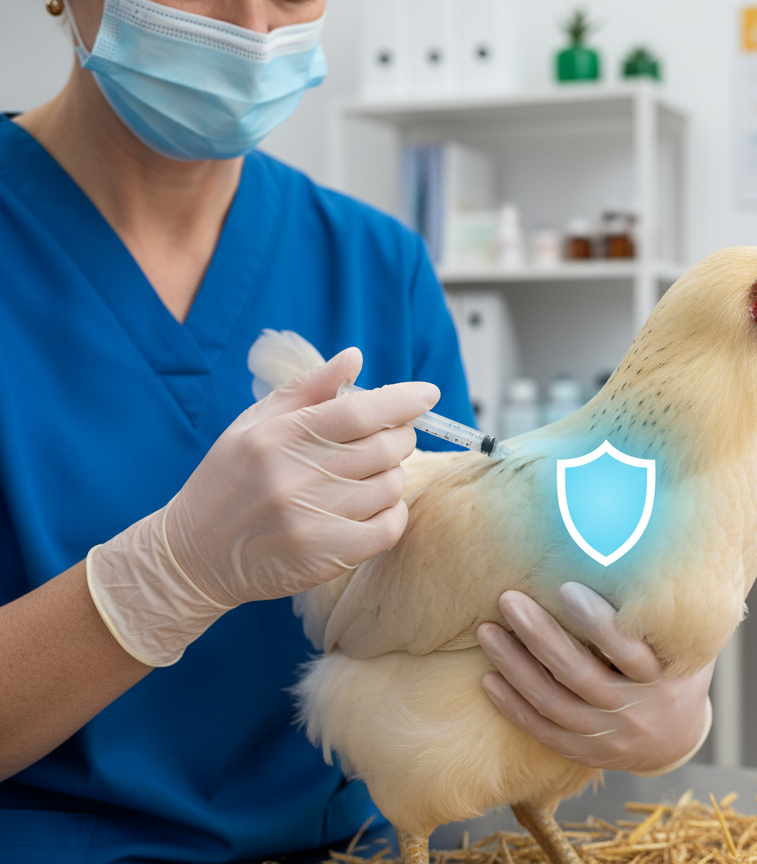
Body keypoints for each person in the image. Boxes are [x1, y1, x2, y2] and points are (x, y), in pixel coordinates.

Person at [0, 1, 715, 862]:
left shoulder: (380, 264)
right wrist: (164, 578)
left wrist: (648, 707)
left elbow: (465, 626)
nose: (255, 26)